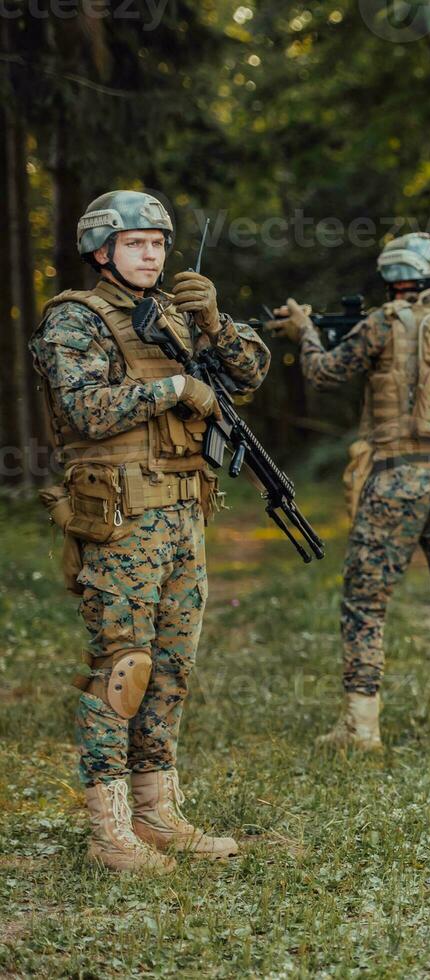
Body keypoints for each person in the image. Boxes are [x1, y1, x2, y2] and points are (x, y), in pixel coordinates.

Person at [31, 190, 268, 871]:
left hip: (184, 516)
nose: (152, 254)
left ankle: (157, 812)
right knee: (122, 669)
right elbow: (84, 409)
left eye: (159, 243)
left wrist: (216, 322)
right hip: (119, 517)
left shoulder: (175, 314)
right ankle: (110, 833)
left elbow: (248, 376)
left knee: (171, 668)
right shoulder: (75, 319)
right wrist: (171, 391)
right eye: (137, 243)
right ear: (102, 250)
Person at [270, 232, 430, 749]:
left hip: (397, 475)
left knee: (366, 601)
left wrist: (305, 331)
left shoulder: (382, 323)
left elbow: (324, 373)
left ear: (392, 278)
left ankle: (361, 727)